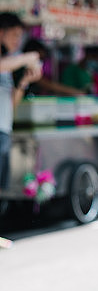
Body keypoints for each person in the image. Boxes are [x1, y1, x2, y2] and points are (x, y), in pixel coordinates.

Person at [0, 12, 41, 192]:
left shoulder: (11, 65)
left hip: (4, 130)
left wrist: (23, 82)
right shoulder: (10, 62)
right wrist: (27, 58)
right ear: (1, 32)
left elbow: (12, 105)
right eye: (15, 35)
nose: (18, 41)